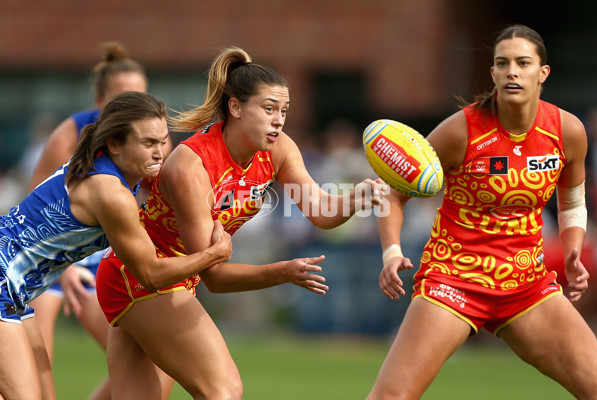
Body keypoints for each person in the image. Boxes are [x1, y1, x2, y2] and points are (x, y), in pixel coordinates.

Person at [95, 46, 388, 399]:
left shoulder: (277, 149)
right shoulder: (192, 165)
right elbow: (214, 277)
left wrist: (357, 198)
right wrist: (282, 272)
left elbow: (321, 211)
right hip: (141, 277)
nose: (279, 119)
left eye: (284, 110)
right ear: (235, 108)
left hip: (173, 279)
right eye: (268, 109)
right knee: (224, 390)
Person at [367, 24, 597, 400]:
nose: (512, 71)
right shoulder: (461, 131)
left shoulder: (567, 130)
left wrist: (573, 248)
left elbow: (572, 200)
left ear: (542, 73)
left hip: (527, 285)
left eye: (523, 63)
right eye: (502, 63)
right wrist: (391, 251)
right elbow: (392, 196)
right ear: (492, 73)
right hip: (452, 280)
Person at [0, 91, 232, 400]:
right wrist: (211, 255)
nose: (159, 152)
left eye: (162, 141)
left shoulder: (114, 169)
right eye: (148, 143)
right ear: (114, 144)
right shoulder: (111, 192)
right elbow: (150, 273)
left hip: (14, 292)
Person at [27, 42, 171, 400]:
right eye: (122, 94)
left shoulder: (151, 140)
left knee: (154, 363)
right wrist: (65, 268)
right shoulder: (70, 133)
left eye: (139, 92)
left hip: (99, 258)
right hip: (47, 260)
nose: (131, 101)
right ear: (100, 99)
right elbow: (34, 205)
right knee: (34, 378)